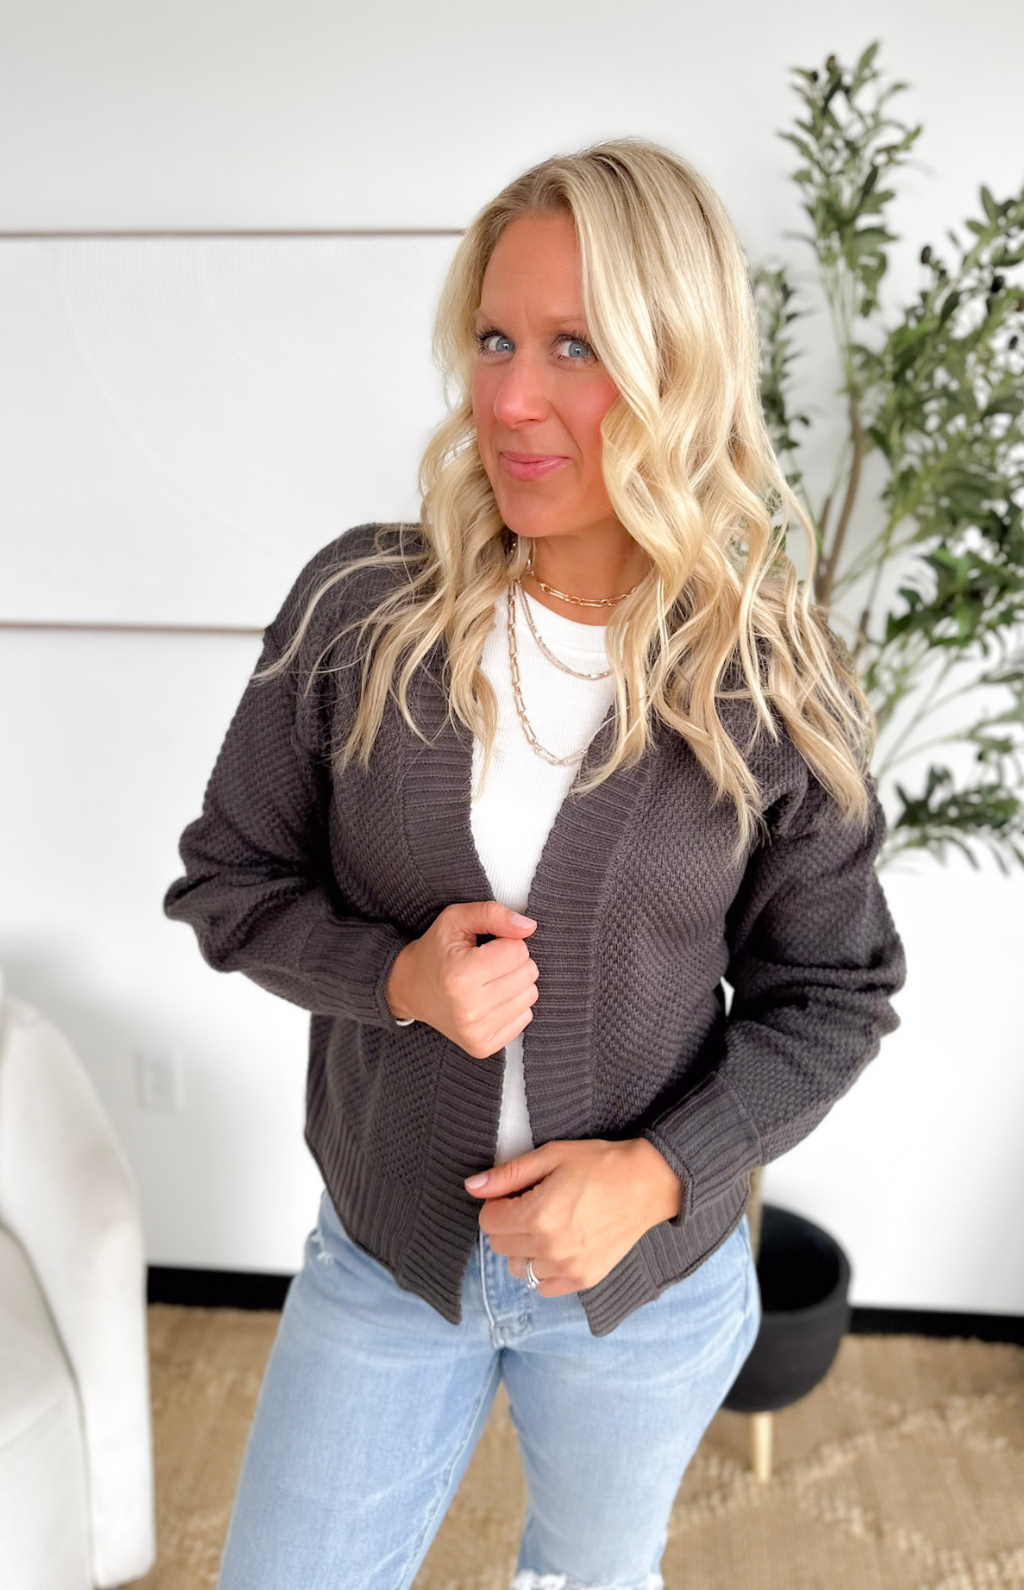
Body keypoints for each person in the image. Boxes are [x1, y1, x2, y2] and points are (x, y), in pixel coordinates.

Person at [164, 136, 907, 1590]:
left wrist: (656, 1174)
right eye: (496, 339)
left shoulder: (768, 676)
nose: (508, 399)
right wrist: (394, 977)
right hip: (387, 1258)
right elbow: (227, 879)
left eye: (577, 347)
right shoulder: (362, 609)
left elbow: (835, 996)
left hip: (644, 1295)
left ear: (680, 366)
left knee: (588, 1576)